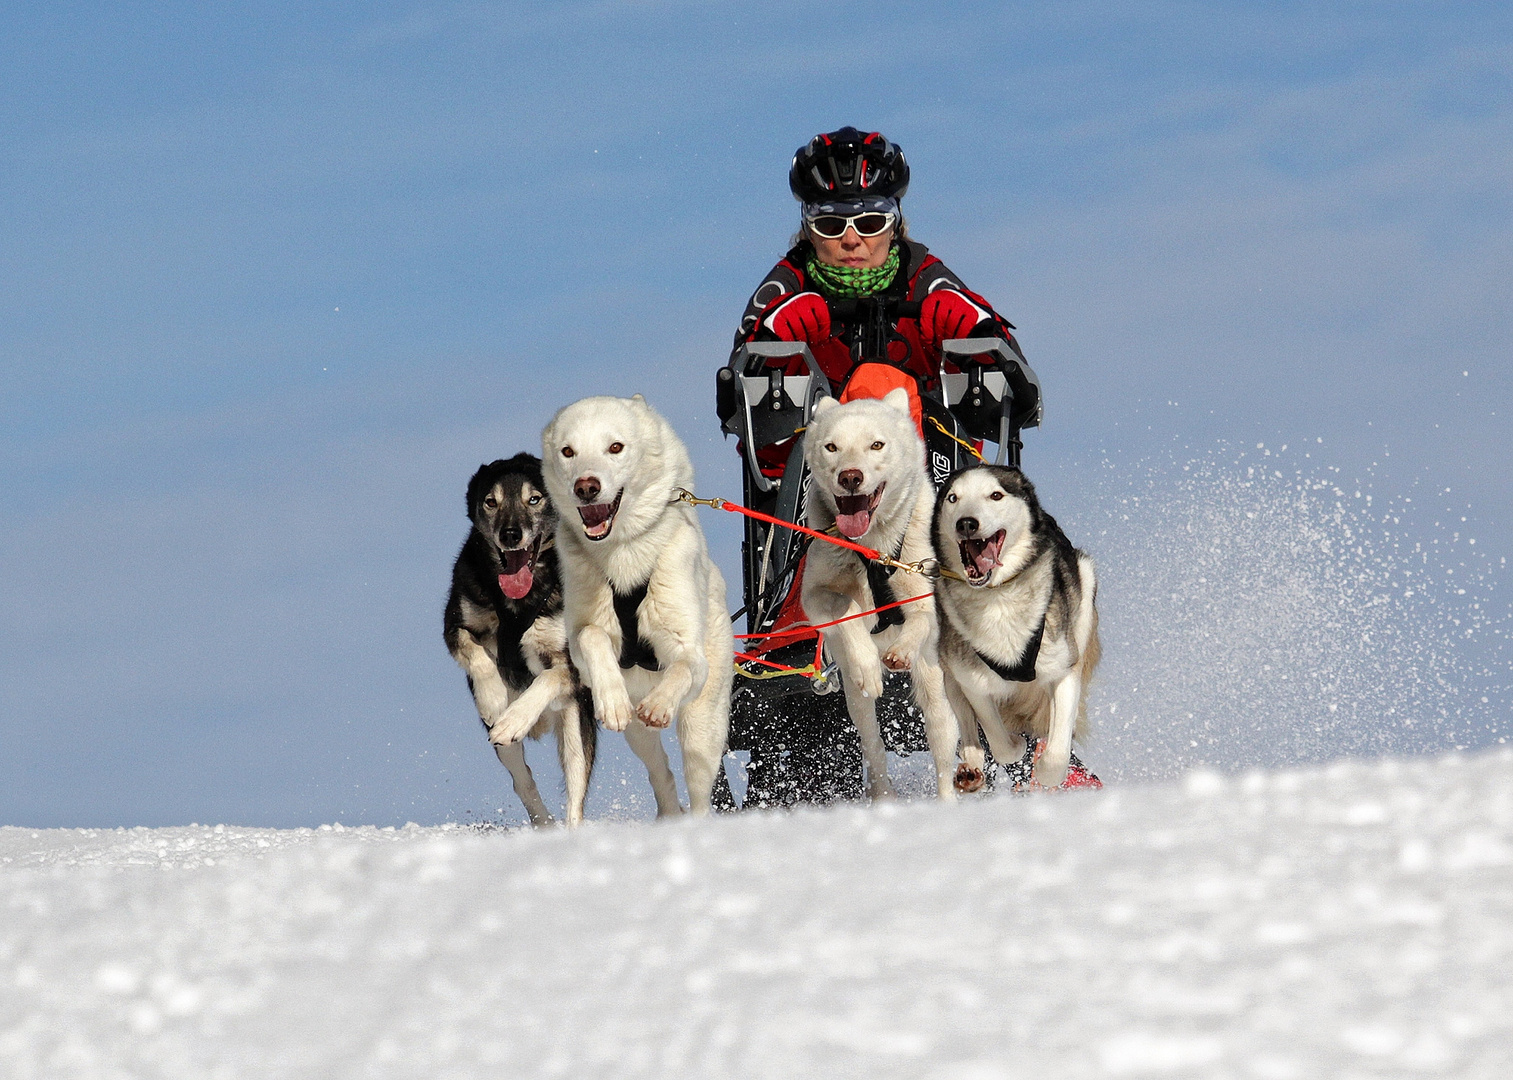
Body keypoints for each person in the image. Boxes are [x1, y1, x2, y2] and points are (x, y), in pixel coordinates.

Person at [731, 126, 1030, 476]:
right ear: (809, 229)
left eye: (870, 222)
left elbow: (1023, 390)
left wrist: (974, 333)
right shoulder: (786, 287)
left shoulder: (928, 281)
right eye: (831, 225)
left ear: (894, 224)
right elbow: (733, 401)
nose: (852, 240)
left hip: (929, 474)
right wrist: (774, 341)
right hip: (816, 483)